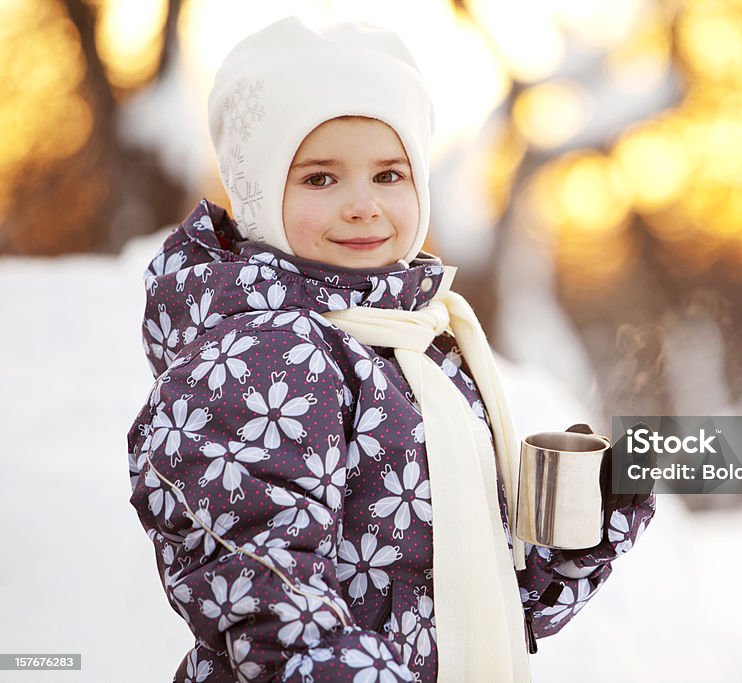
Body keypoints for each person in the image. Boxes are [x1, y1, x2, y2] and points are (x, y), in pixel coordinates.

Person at [127, 17, 656, 683]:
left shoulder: (416, 345)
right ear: (260, 189)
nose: (362, 205)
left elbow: (471, 603)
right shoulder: (261, 360)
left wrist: (583, 530)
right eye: (321, 178)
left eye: (389, 174)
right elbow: (276, 622)